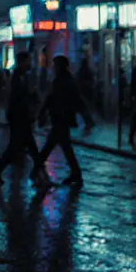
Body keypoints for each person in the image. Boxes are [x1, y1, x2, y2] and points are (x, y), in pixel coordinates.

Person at [35, 55, 91, 187]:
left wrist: (42, 113)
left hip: (61, 118)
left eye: (55, 65)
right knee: (64, 148)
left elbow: (54, 99)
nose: (54, 68)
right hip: (61, 118)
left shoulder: (62, 81)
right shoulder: (66, 80)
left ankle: (35, 171)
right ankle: (76, 174)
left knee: (52, 147)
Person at [0, 52, 43, 185]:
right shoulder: (17, 78)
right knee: (18, 148)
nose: (29, 63)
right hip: (19, 118)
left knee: (26, 148)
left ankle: (39, 175)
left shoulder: (22, 76)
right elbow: (18, 98)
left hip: (21, 118)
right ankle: (38, 176)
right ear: (22, 62)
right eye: (28, 61)